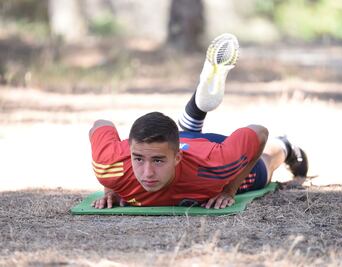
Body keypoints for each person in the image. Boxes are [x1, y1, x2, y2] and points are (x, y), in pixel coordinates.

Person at [89, 33, 308, 209]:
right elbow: (100, 124)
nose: (147, 173)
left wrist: (229, 189)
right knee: (168, 143)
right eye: (138, 159)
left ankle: (286, 146)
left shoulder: (216, 167)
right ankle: (194, 112)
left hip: (205, 153)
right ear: (129, 151)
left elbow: (259, 132)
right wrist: (111, 187)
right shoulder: (109, 165)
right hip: (176, 141)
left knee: (263, 169)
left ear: (177, 158)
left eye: (157, 162)